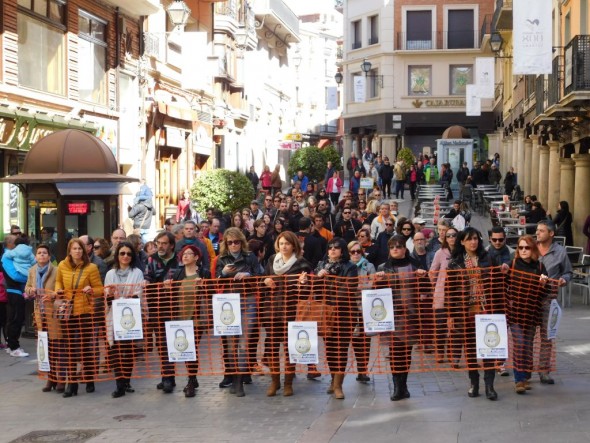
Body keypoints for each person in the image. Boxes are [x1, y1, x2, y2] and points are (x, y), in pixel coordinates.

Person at [446, 228, 502, 401]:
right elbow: (450, 292)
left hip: (486, 310)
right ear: (462, 242)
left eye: (476, 239)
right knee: (470, 350)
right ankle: (474, 383)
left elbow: (498, 284)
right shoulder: (455, 263)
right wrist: (450, 315)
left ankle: (490, 386)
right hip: (465, 311)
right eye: (469, 239)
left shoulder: (488, 259)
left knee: (489, 349)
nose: (473, 242)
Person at [263, 231, 312, 396]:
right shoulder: (271, 260)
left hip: (291, 310)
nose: (284, 246)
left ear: (294, 246)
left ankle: (288, 383)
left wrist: (303, 284)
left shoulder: (301, 263)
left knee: (290, 347)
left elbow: (306, 293)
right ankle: (275, 382)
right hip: (271, 310)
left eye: (287, 243)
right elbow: (263, 280)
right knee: (271, 347)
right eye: (281, 243)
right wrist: (266, 281)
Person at [375, 235, 422, 401]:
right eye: (392, 246)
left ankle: (404, 385)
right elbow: (376, 295)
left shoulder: (414, 266)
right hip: (391, 317)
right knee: (394, 352)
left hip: (410, 316)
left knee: (406, 352)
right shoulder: (382, 267)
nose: (395, 249)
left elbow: (424, 290)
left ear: (405, 248)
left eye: (399, 246)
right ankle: (397, 386)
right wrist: (377, 281)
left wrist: (423, 278)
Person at [55, 238, 104, 398]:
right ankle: (72, 383)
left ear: (84, 251)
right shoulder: (62, 265)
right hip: (68, 311)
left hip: (85, 312)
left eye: (80, 249)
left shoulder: (91, 268)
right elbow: (58, 282)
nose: (77, 251)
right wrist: (59, 291)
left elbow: (100, 289)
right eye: (74, 249)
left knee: (84, 347)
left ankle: (89, 378)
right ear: (70, 250)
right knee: (69, 348)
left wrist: (91, 290)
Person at [215, 228, 261, 396]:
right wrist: (223, 273)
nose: (234, 245)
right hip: (227, 302)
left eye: (237, 242)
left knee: (244, 342)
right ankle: (234, 378)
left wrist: (248, 274)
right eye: (230, 242)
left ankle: (240, 380)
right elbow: (213, 281)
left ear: (242, 242)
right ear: (226, 244)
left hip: (247, 300)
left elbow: (260, 275)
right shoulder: (221, 259)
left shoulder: (250, 257)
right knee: (229, 343)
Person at [500, 235, 548, 394]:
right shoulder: (512, 265)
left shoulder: (540, 267)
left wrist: (543, 284)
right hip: (515, 314)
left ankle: (526, 376)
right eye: (520, 248)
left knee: (528, 346)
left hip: (532, 313)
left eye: (527, 247)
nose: (523, 251)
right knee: (519, 345)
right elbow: (502, 284)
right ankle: (519, 380)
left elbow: (544, 294)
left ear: (533, 248)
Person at [315, 237, 358, 399]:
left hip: (345, 314)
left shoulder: (350, 267)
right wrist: (318, 277)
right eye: (330, 247)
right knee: (330, 349)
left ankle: (338, 385)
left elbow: (348, 288)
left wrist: (331, 297)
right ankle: (333, 380)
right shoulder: (321, 266)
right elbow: (314, 289)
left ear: (342, 251)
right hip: (326, 314)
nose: (332, 250)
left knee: (341, 349)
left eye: (336, 247)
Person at [168, 244, 211, 398]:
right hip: (180, 317)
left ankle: (191, 381)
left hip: (197, 318)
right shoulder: (178, 273)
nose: (185, 256)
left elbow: (211, 293)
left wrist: (204, 285)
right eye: (183, 254)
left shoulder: (204, 273)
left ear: (196, 257)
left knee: (191, 350)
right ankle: (193, 378)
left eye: (189, 254)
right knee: (186, 350)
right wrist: (167, 286)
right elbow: (171, 293)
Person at [104, 242, 146, 398]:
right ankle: (119, 383)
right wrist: (111, 295)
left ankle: (127, 379)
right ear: (117, 255)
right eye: (122, 253)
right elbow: (107, 296)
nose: (125, 256)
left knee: (128, 351)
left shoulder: (137, 273)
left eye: (129, 253)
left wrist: (123, 297)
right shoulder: (110, 274)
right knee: (115, 351)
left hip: (130, 317)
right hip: (114, 317)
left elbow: (139, 294)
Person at [535, 220, 572, 384]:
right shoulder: (529, 247)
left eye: (542, 230)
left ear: (551, 233)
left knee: (546, 337)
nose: (537, 233)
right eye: (537, 230)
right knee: (527, 336)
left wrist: (564, 279)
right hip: (528, 297)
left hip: (549, 300)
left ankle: (544, 371)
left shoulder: (560, 252)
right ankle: (524, 372)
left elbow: (568, 271)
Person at [144, 231, 181, 393]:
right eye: (158, 242)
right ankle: (167, 376)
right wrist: (146, 283)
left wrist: (174, 285)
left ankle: (170, 377)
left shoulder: (179, 260)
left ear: (171, 245)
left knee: (172, 341)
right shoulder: (151, 259)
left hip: (176, 307)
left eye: (164, 243)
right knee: (161, 343)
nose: (160, 246)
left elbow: (185, 279)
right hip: (157, 306)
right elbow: (148, 278)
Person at [24, 244, 62, 392]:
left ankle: (60, 379)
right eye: (39, 253)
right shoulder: (32, 271)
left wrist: (52, 294)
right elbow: (26, 288)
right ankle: (50, 379)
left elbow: (60, 289)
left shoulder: (56, 270)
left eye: (44, 253)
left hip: (52, 312)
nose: (41, 255)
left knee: (57, 347)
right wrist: (30, 290)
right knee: (45, 348)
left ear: (49, 256)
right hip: (39, 313)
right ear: (35, 256)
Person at [3, 235, 36, 357]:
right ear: (10, 244)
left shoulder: (12, 255)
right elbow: (15, 276)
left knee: (14, 319)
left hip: (17, 291)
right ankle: (13, 347)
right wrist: (30, 278)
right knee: (15, 319)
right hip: (14, 292)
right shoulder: (6, 258)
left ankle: (11, 345)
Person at [429, 227, 458, 363]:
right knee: (440, 325)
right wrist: (435, 286)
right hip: (441, 294)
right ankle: (440, 351)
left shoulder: (462, 253)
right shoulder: (440, 253)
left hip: (457, 295)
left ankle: (453, 355)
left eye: (454, 235)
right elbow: (433, 271)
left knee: (455, 327)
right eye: (449, 236)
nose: (452, 238)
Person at [348, 240, 375, 383]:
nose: (356, 254)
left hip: (366, 306)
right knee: (355, 339)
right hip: (351, 307)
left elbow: (372, 283)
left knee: (366, 339)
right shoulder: (346, 266)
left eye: (358, 251)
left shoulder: (369, 266)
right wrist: (360, 286)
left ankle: (363, 370)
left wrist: (357, 287)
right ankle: (360, 368)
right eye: (353, 251)